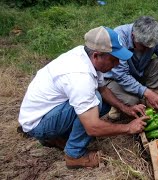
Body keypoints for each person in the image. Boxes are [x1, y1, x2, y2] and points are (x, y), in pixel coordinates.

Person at [18, 26, 149, 169]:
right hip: (38, 123)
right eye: (113, 60)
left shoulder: (86, 56)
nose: (117, 64)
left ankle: (57, 137)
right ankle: (74, 156)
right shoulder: (80, 76)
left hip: (49, 111)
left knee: (100, 99)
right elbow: (92, 128)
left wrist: (127, 108)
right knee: (96, 102)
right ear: (97, 55)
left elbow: (103, 89)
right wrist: (128, 128)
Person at [104, 16, 158, 117]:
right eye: (143, 46)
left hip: (138, 71)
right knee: (134, 102)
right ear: (133, 36)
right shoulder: (118, 37)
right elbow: (121, 75)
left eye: (149, 47)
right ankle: (117, 105)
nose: (146, 50)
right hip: (115, 79)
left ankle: (152, 102)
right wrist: (147, 92)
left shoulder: (156, 35)